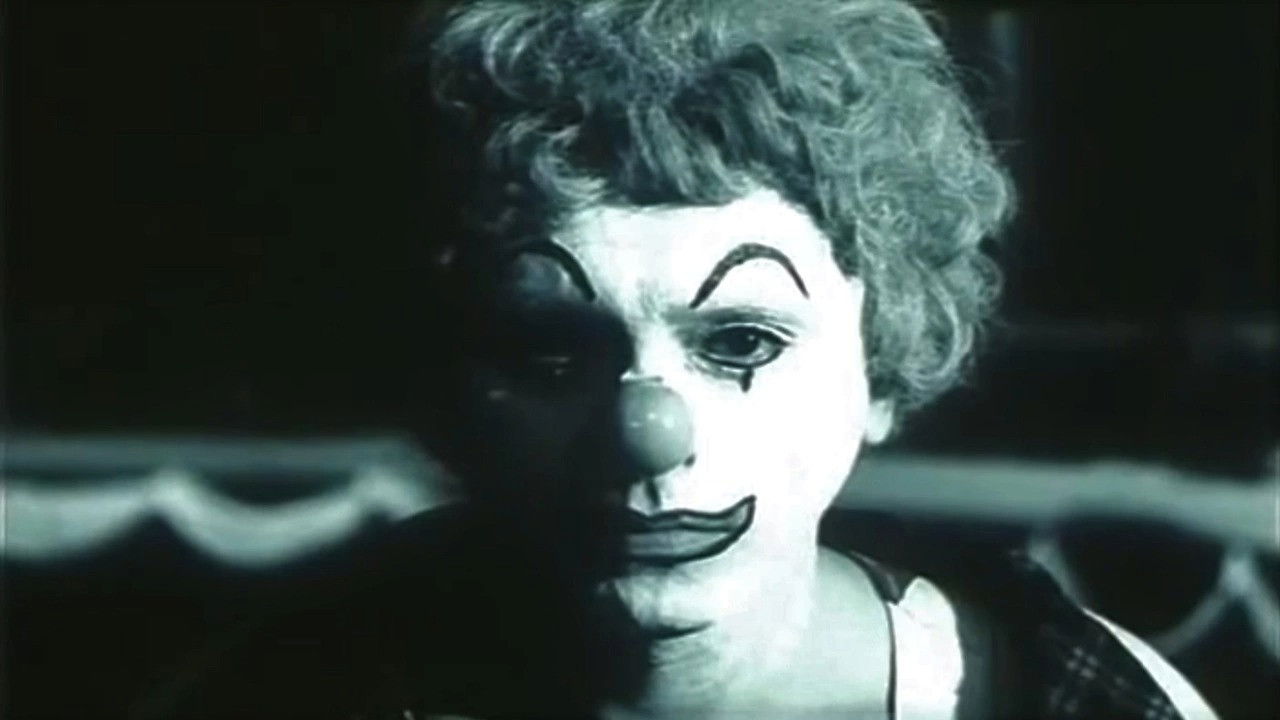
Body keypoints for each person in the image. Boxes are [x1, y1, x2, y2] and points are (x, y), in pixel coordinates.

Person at [154, 1, 1217, 718]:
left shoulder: (1076, 697)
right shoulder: (280, 690)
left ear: (884, 359)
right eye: (550, 352)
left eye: (741, 341)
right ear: (443, 383)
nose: (647, 432)